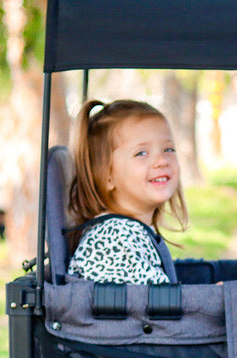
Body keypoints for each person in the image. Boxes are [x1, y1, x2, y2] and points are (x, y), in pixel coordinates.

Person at [66, 99, 188, 284]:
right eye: (141, 153)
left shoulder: (132, 232)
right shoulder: (113, 240)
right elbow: (158, 307)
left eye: (168, 149)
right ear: (108, 176)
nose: (161, 160)